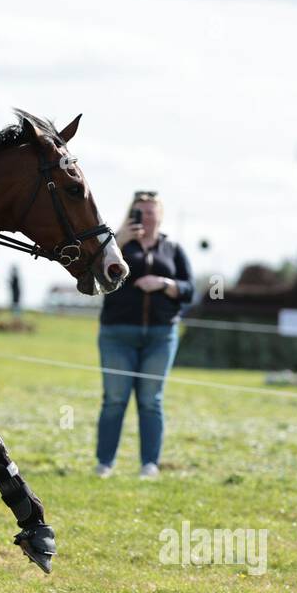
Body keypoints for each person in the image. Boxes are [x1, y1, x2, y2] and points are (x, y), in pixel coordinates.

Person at [95, 190, 194, 480]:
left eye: (151, 212)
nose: (146, 218)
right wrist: (120, 242)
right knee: (115, 399)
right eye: (141, 212)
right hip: (117, 333)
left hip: (161, 336)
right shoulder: (116, 244)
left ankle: (149, 464)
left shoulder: (173, 249)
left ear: (160, 216)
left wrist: (163, 283)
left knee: (151, 400)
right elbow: (97, 275)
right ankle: (105, 463)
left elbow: (190, 290)